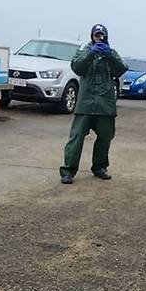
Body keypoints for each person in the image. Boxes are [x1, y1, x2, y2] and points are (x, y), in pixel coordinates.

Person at [59, 24, 125, 184]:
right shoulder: (84, 51)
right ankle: (68, 170)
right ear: (92, 36)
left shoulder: (112, 52)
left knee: (105, 137)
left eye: (102, 35)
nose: (99, 37)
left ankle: (99, 167)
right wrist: (90, 53)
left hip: (105, 104)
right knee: (76, 137)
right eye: (96, 35)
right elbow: (77, 68)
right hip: (85, 103)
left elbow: (121, 70)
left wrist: (110, 55)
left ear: (106, 36)